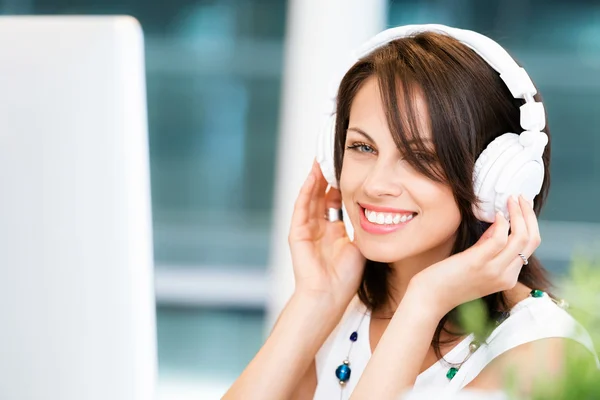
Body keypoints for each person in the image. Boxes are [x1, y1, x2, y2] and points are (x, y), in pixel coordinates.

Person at [222, 25, 599, 400]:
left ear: (497, 182)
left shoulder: (546, 355)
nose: (374, 184)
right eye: (363, 148)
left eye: (420, 157)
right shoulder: (336, 312)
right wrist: (314, 299)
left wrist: (425, 301)